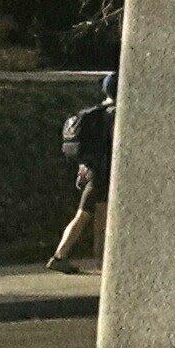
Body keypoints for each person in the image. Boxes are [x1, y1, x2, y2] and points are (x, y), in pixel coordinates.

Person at [49, 74, 114, 270]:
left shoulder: (99, 111)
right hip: (100, 173)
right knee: (83, 214)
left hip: (91, 171)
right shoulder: (114, 113)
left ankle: (103, 260)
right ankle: (59, 257)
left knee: (100, 216)